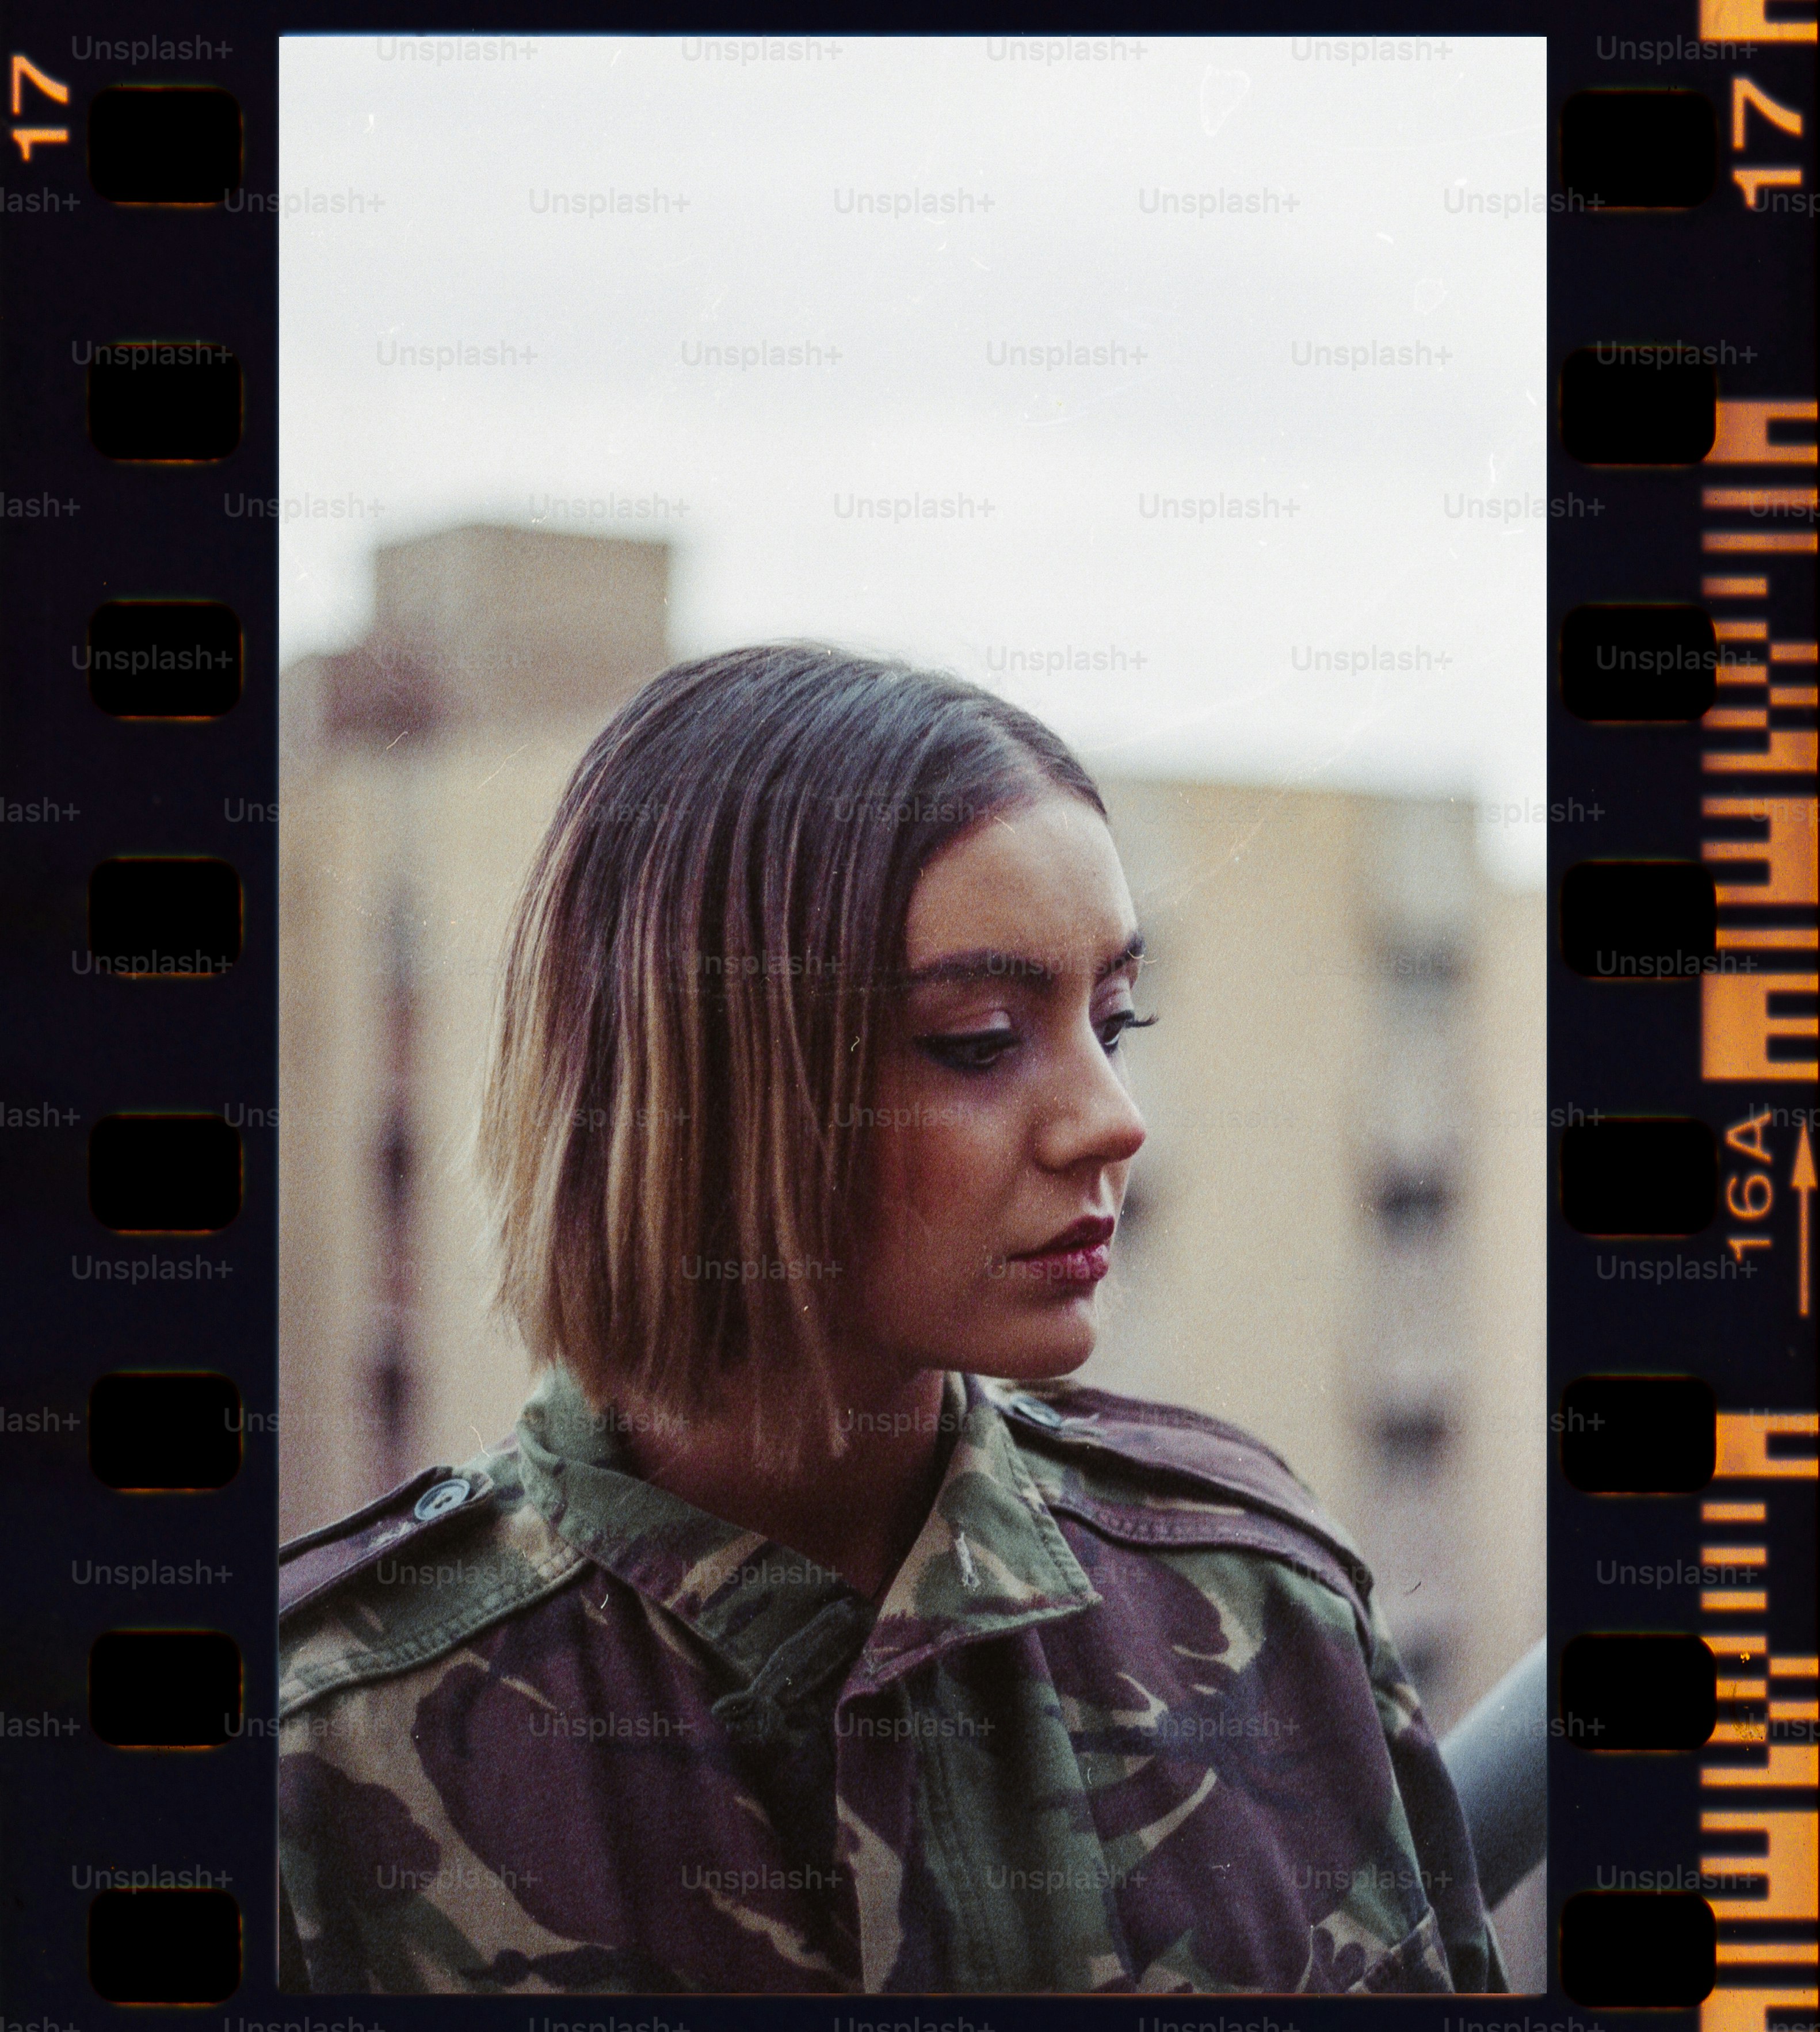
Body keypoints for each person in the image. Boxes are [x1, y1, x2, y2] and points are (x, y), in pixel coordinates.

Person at [277, 644, 1506, 1996]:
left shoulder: (1261, 1601)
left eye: (1115, 1016)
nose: (1112, 1116)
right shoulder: (322, 1750)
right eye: (980, 1037)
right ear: (713, 1083)